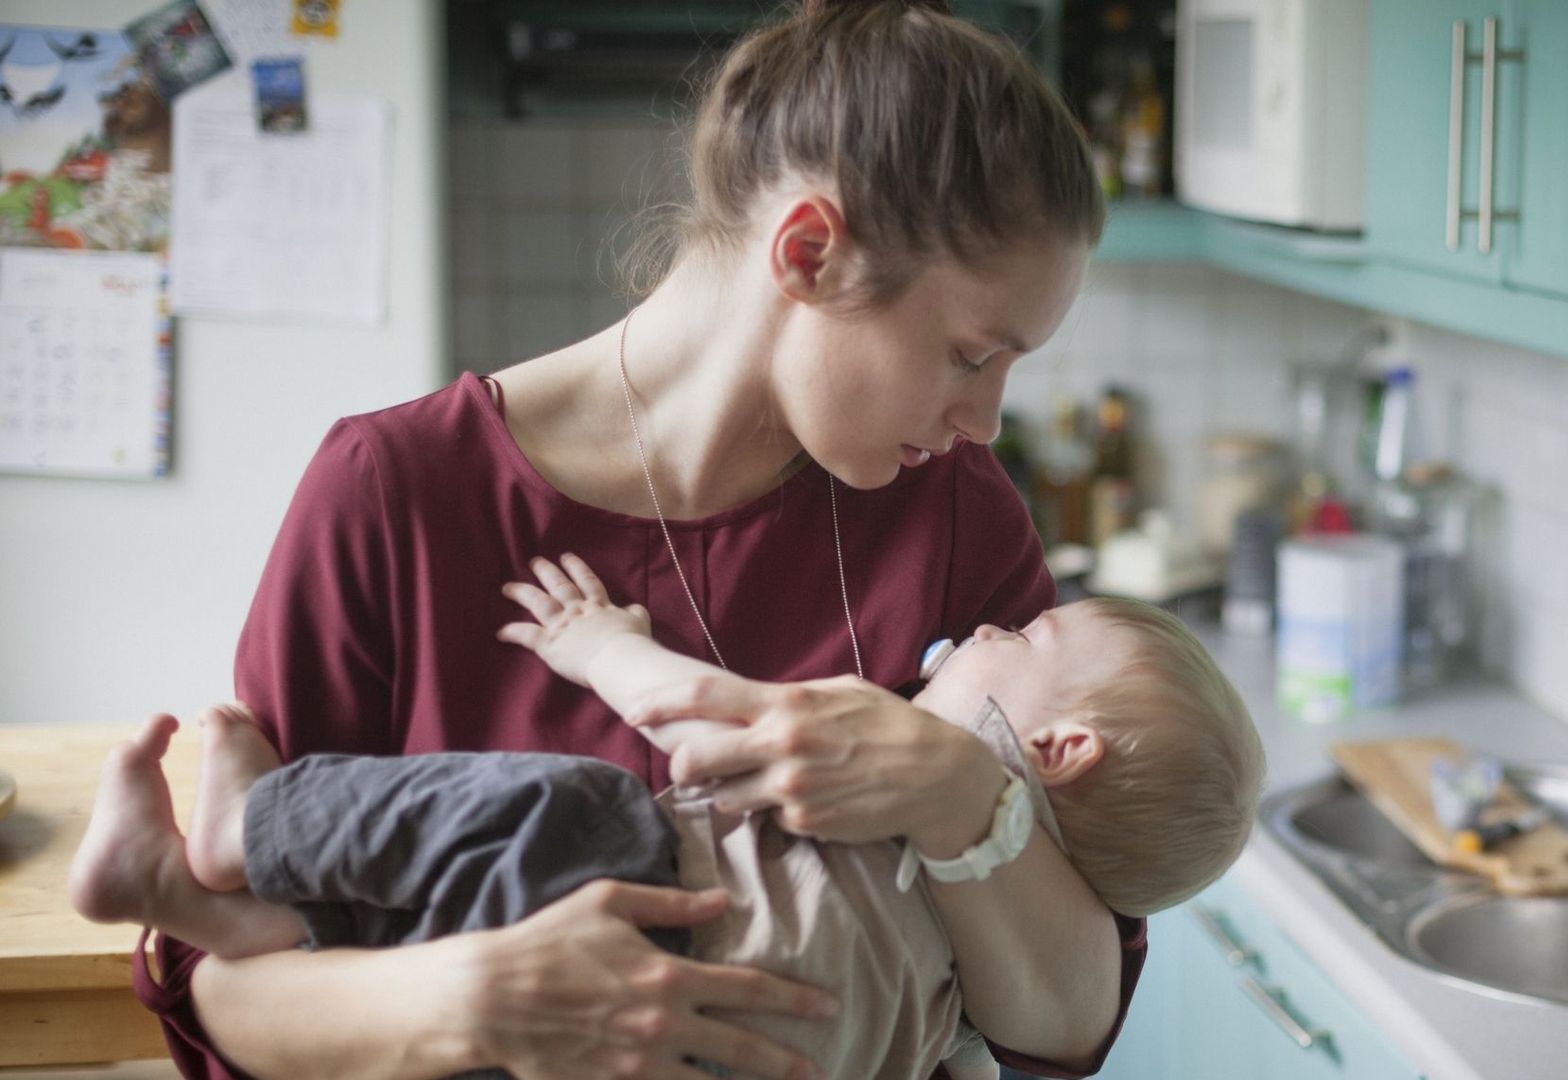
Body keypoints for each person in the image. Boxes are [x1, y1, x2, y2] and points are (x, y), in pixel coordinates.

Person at [133, 2, 1146, 1077]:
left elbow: (1070, 1019)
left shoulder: (955, 511)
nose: (984, 421)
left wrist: (962, 794)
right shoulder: (393, 493)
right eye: (972, 356)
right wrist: (473, 1000)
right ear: (808, 254)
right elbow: (223, 978)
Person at [73, 553, 1263, 1080]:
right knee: (425, 955)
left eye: (1029, 636)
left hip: (654, 919)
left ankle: (252, 828)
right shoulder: (970, 979)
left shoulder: (916, 756)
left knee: (572, 805)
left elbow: (700, 721)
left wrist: (603, 647)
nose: (996, 625)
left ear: (1057, 750)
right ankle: (199, 908)